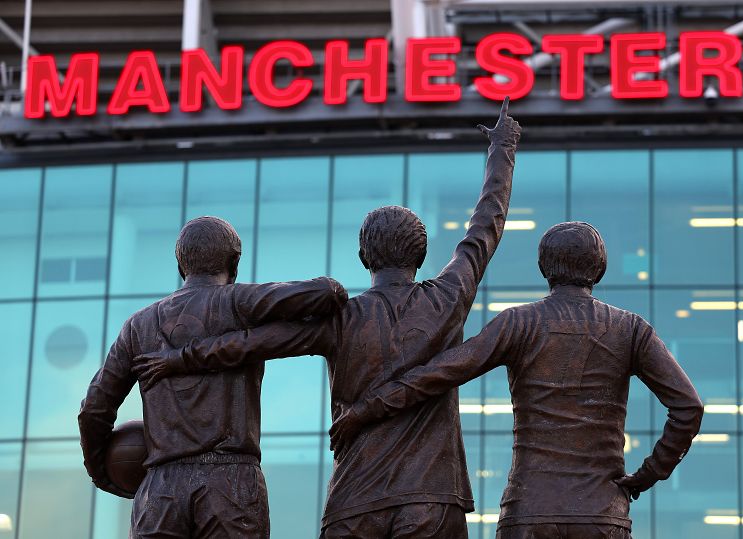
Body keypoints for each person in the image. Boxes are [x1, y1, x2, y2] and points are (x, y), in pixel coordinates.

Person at [131, 98, 521, 538]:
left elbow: (250, 343)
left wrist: (181, 358)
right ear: (422, 255)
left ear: (362, 257)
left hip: (354, 502)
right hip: (431, 499)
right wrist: (502, 148)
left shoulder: (341, 319)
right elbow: (486, 226)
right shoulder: (448, 298)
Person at [328, 221, 705, 539]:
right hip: (601, 512)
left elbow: (438, 374)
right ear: (599, 269)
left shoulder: (519, 323)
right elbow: (688, 407)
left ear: (544, 268)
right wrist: (646, 474)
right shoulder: (630, 329)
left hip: (529, 512)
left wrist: (365, 409)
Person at [78, 215, 347, 538]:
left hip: (161, 492)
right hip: (231, 486)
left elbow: (94, 409)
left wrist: (103, 473)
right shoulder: (241, 302)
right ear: (234, 264)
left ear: (181, 267)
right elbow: (329, 293)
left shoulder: (139, 325)